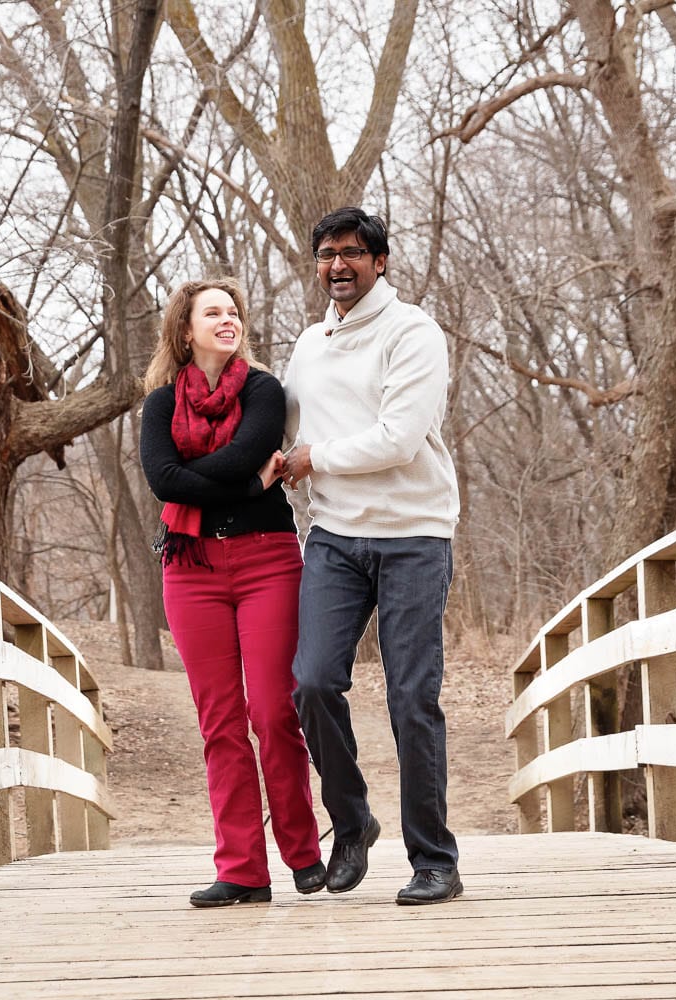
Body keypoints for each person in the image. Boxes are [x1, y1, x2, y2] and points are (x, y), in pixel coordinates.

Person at [280, 207, 463, 905]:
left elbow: (398, 438)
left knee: (412, 697)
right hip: (333, 539)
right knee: (313, 682)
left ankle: (435, 860)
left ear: (380, 262)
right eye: (327, 254)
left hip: (414, 536)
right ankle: (352, 823)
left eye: (353, 253)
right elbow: (280, 421)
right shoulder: (309, 345)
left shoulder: (412, 333)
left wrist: (313, 458)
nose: (338, 266)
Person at [140, 278, 324, 908]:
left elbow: (244, 453)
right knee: (220, 721)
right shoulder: (160, 404)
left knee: (272, 711)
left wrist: (214, 479)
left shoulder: (263, 390)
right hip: (190, 569)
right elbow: (165, 482)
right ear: (185, 330)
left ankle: (303, 852)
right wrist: (249, 487)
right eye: (212, 312)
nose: (227, 320)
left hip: (267, 561)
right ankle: (243, 868)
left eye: (233, 311)